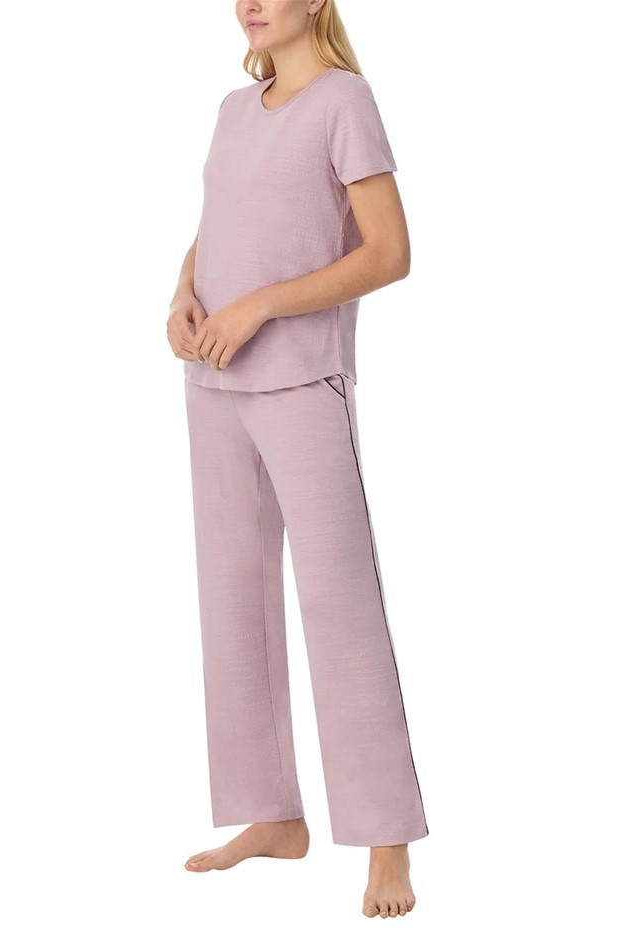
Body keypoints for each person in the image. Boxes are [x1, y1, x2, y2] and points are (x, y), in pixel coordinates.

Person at [166, 1, 426, 919]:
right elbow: (219, 225)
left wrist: (263, 305)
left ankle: (386, 839)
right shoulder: (235, 108)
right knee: (232, 599)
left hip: (302, 381)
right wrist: (183, 296)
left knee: (338, 605)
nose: (248, 3)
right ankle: (271, 815)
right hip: (212, 382)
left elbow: (389, 253)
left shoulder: (344, 101)